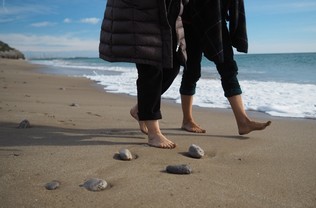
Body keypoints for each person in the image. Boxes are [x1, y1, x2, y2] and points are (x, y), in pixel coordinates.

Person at [99, 0, 188, 148]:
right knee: (151, 68)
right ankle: (154, 133)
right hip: (140, 13)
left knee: (173, 67)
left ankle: (141, 108)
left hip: (168, 14)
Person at [179, 0, 271, 135]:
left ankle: (242, 121)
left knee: (228, 69)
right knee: (191, 71)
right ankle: (187, 120)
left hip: (216, 22)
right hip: (190, 22)